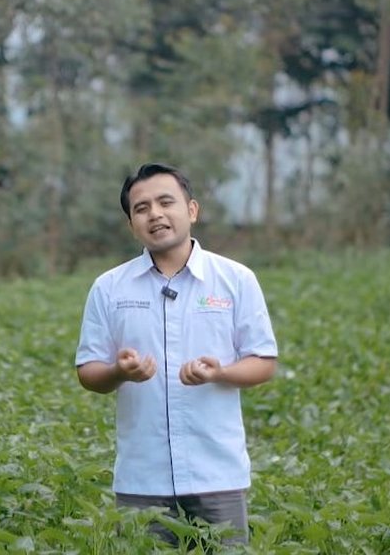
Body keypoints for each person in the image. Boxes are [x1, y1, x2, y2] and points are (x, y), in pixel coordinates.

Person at [74, 163, 279, 546]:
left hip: (217, 472)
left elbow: (263, 362)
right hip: (141, 478)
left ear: (192, 210)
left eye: (166, 202)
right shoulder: (108, 288)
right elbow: (88, 371)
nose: (155, 214)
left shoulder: (236, 280)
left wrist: (221, 373)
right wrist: (120, 372)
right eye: (141, 208)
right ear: (131, 224)